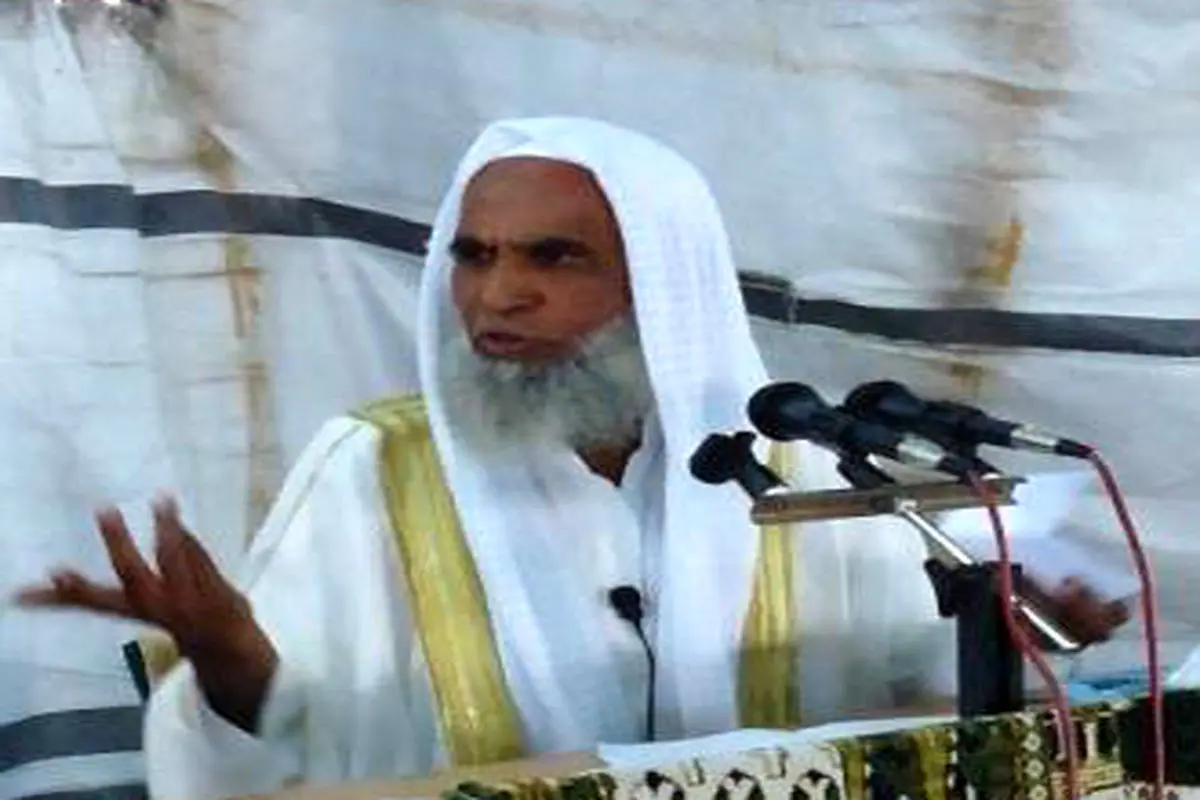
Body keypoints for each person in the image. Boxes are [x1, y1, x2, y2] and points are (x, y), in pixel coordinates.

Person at [16, 118, 1127, 799]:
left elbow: (910, 699)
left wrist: (1015, 632)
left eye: (555, 258)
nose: (498, 295)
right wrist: (228, 657)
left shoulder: (797, 467)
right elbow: (293, 752)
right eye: (474, 255)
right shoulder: (374, 467)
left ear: (664, 286)